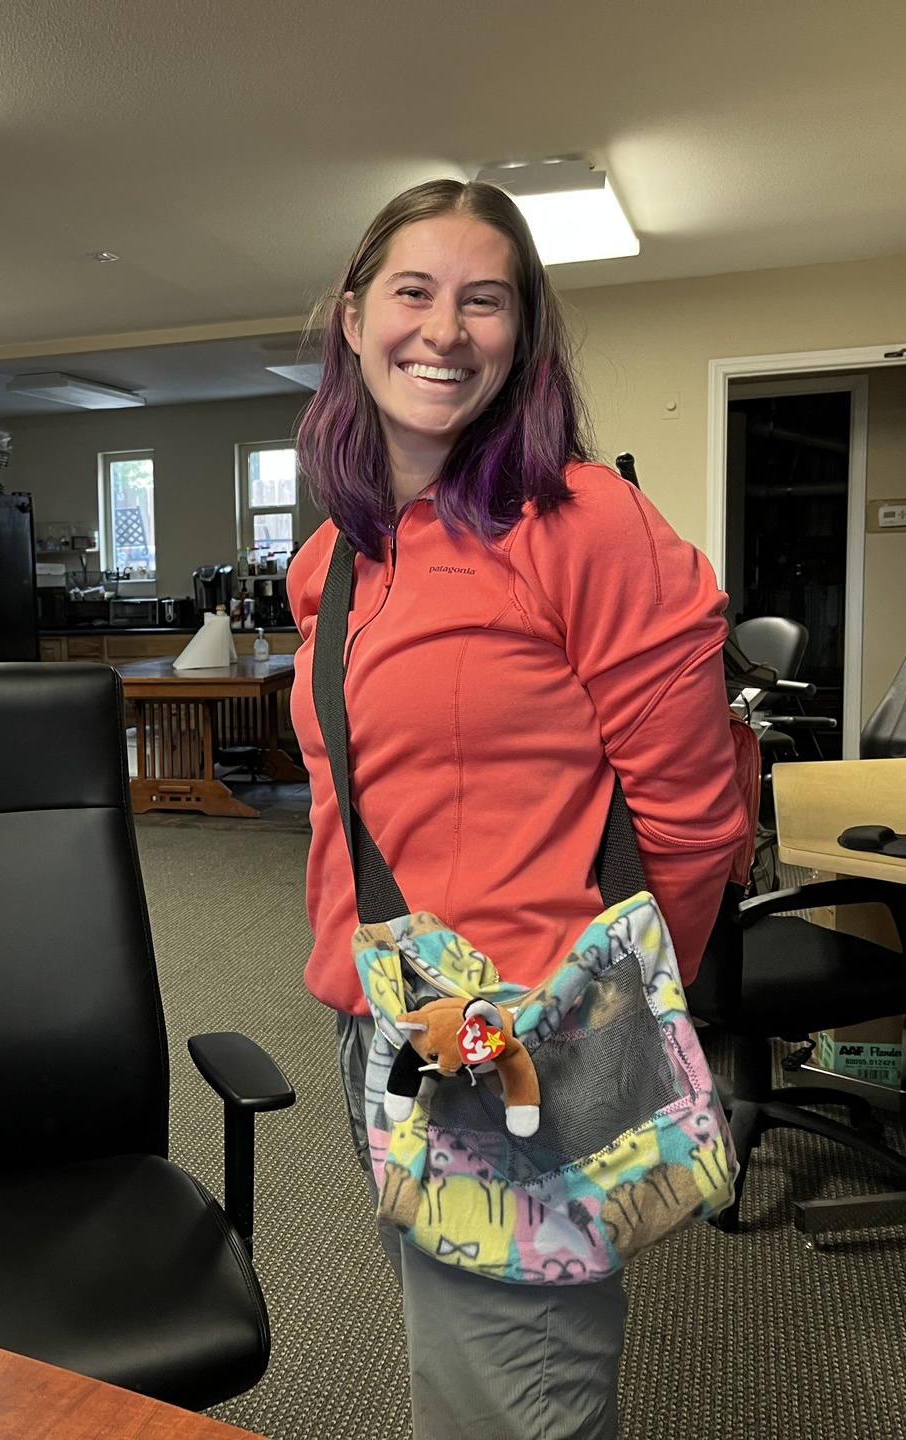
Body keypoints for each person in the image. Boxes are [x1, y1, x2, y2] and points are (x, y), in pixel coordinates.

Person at [287, 179, 748, 1439]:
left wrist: (608, 1019)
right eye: (413, 293)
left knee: (516, 1407)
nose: (445, 329)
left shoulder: (584, 521)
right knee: (461, 1373)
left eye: (484, 300)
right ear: (351, 318)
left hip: (520, 1044)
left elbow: (699, 820)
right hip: (380, 1029)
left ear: (523, 335)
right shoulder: (338, 558)